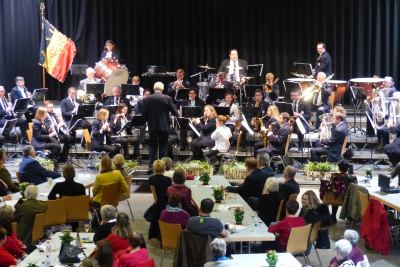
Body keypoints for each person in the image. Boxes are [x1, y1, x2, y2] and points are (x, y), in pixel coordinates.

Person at [142, 82, 178, 173]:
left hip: (152, 126)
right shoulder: (166, 98)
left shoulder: (148, 99)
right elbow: (175, 112)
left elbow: (143, 114)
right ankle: (161, 167)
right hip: (164, 126)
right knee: (162, 146)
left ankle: (151, 166)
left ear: (154, 89)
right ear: (162, 90)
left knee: (152, 145)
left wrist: (149, 120)